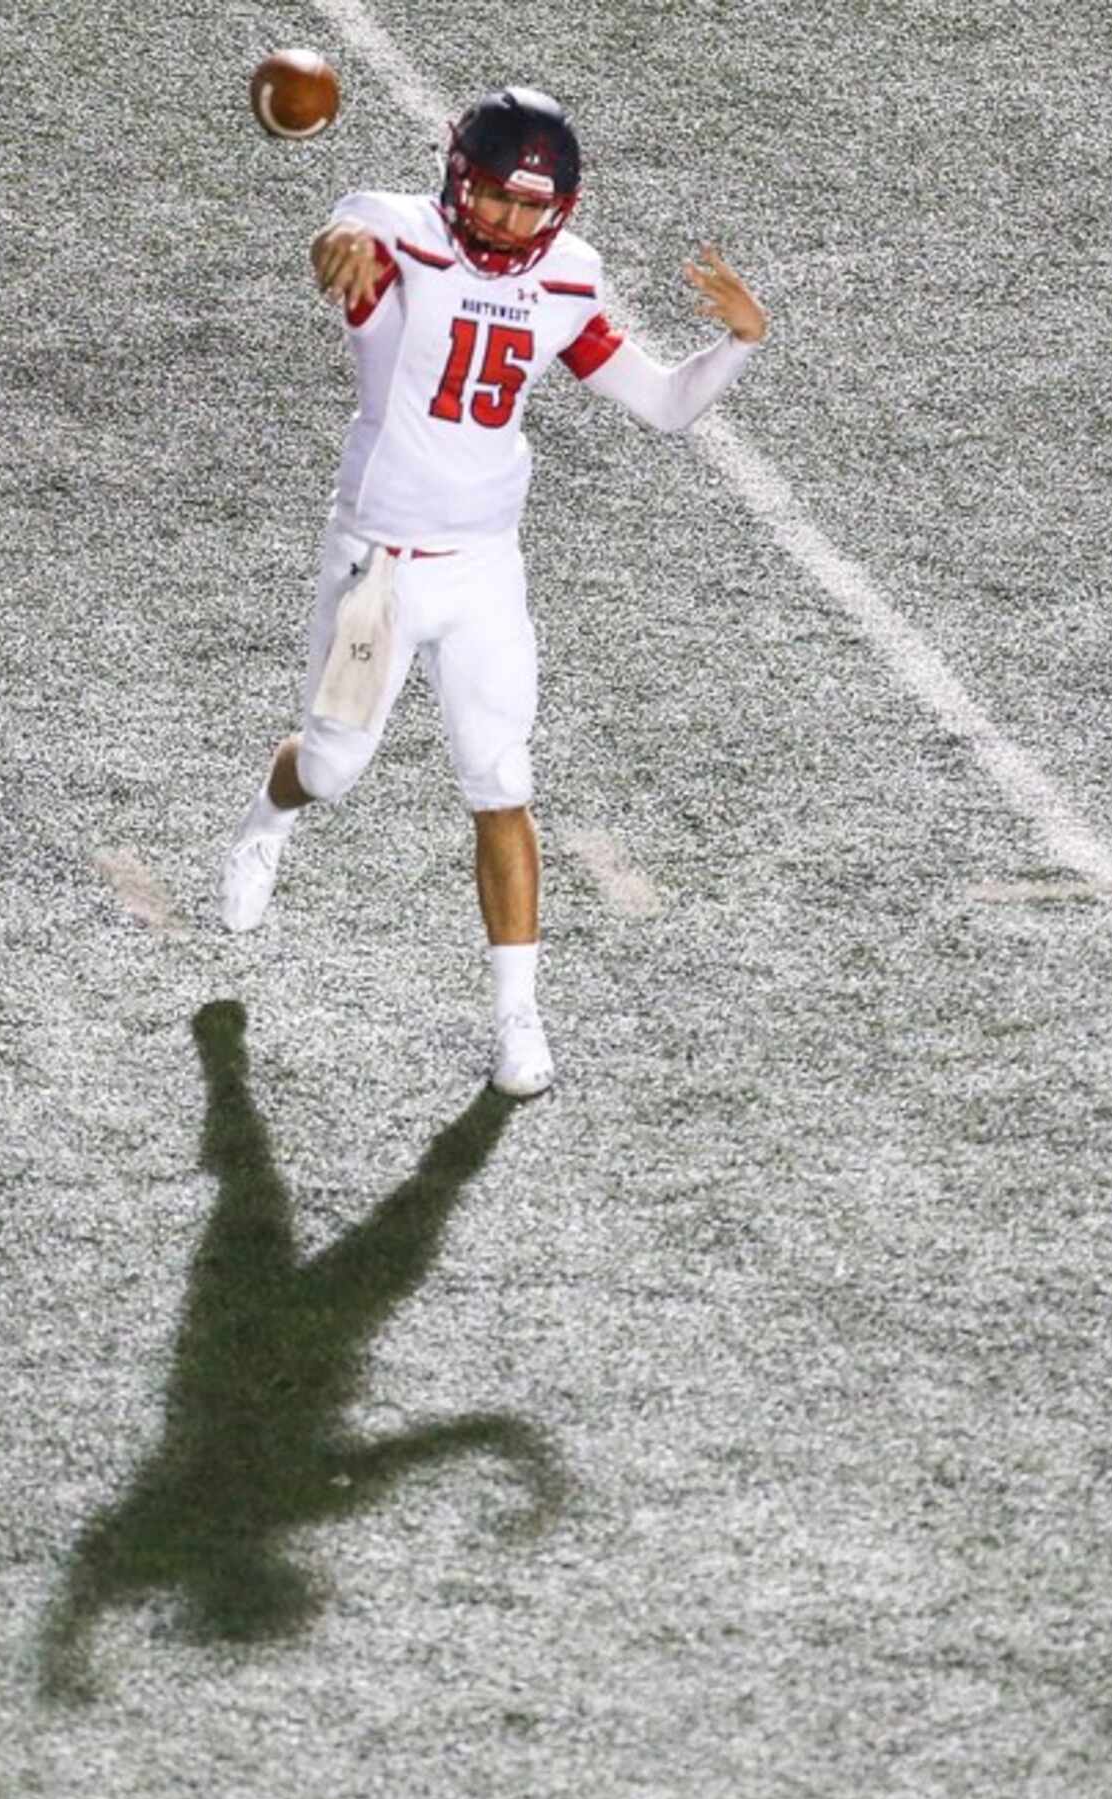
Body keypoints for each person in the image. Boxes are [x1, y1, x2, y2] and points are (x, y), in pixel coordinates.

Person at [217, 86, 769, 1098]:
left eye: (531, 206)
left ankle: (517, 1017)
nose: (511, 223)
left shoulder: (565, 276)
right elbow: (345, 243)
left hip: (481, 569)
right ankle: (267, 818)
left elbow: (657, 405)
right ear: (454, 178)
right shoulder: (395, 233)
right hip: (376, 568)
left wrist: (734, 344)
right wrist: (330, 251)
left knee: (499, 780)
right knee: (332, 768)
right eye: (495, 200)